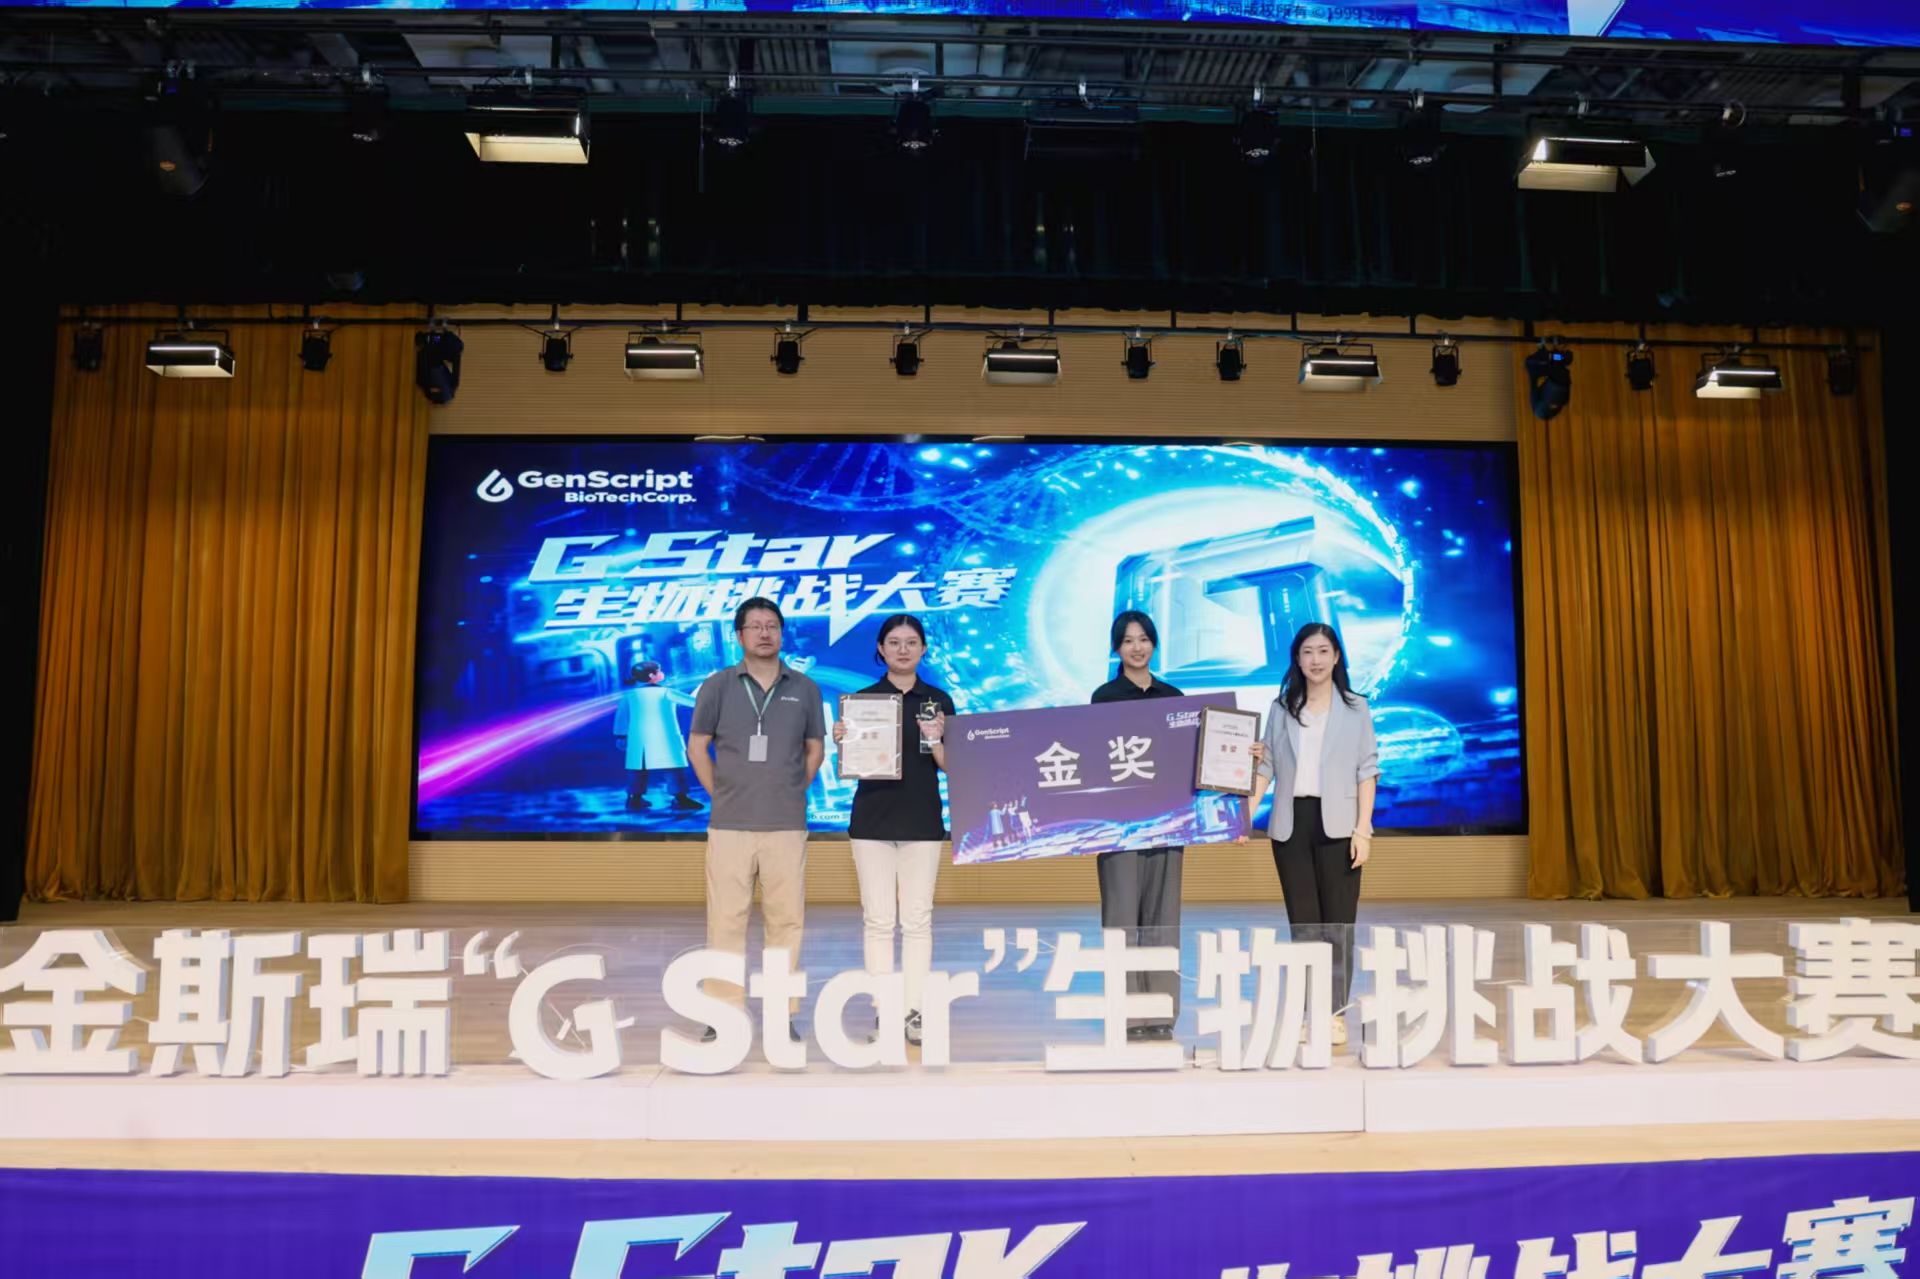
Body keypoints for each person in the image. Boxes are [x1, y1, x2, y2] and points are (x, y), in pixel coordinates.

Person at [687, 597, 826, 1042]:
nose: (765, 633)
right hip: (729, 824)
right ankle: (722, 1012)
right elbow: (697, 746)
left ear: (782, 633)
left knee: (786, 921)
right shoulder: (718, 685)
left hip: (786, 823)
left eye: (772, 626)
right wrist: (721, 794)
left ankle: (782, 1013)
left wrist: (792, 789)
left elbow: (815, 749)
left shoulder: (805, 688)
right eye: (755, 626)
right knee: (726, 919)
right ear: (739, 635)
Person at [1243, 622, 1379, 1048]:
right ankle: (1310, 1013)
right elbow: (1266, 767)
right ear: (1297, 659)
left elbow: (1367, 770)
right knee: (1303, 926)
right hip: (1292, 825)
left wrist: (1363, 830)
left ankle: (1335, 1014)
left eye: (1323, 651)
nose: (1315, 660)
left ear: (1336, 657)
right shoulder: (1281, 707)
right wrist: (1243, 816)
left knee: (1338, 925)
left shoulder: (1356, 708)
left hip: (1340, 826)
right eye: (1307, 652)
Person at [832, 613, 955, 1047]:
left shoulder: (938, 700)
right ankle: (885, 1010)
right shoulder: (863, 701)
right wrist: (844, 741)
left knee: (917, 920)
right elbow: (853, 764)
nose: (903, 649)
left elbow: (952, 766)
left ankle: (915, 1011)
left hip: (922, 820)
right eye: (894, 642)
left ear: (924, 649)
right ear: (881, 649)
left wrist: (937, 738)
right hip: (872, 821)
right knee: (879, 920)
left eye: (911, 642)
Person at [1089, 609, 1185, 1042]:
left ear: (1154, 643)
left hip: (1169, 825)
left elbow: (1189, 758)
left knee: (1163, 919)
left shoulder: (1174, 697)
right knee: (1122, 919)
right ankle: (1127, 1014)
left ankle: (1160, 1012)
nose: (1137, 647)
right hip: (1119, 828)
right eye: (1128, 640)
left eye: (1144, 639)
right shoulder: (1103, 698)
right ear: (1117, 648)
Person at [613, 660, 699, 811]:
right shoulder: (666, 692)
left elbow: (622, 716)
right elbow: (694, 702)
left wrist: (621, 736)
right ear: (652, 675)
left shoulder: (630, 695)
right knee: (672, 768)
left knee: (638, 769)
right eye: (659, 671)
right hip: (664, 738)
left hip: (639, 740)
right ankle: (680, 799)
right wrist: (702, 687)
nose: (662, 673)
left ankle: (634, 799)